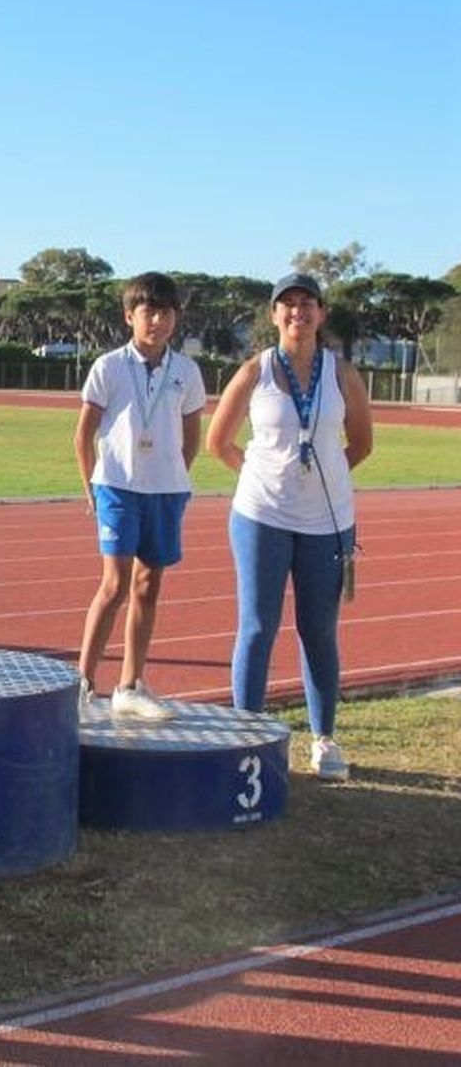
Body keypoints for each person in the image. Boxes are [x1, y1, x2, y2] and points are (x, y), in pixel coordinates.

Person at [206, 273, 373, 782]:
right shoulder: (254, 370)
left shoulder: (342, 373)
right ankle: (246, 734)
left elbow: (361, 444)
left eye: (307, 304)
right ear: (274, 315)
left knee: (318, 631)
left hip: (328, 520)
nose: (297, 312)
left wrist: (320, 479)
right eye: (287, 305)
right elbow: (219, 441)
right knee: (257, 628)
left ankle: (324, 740)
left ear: (321, 314)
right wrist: (264, 476)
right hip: (262, 515)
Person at [74, 273, 207, 722]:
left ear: (176, 318)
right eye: (148, 311)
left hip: (165, 492)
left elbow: (192, 437)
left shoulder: (186, 372)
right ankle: (83, 684)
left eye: (166, 311)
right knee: (114, 585)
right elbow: (84, 433)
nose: (157, 319)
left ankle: (130, 684)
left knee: (149, 587)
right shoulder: (109, 366)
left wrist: (171, 475)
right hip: (116, 486)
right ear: (130, 316)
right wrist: (89, 484)